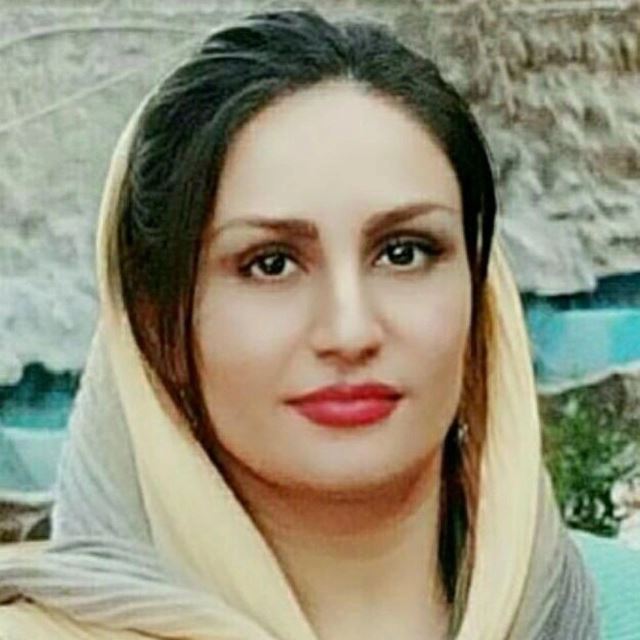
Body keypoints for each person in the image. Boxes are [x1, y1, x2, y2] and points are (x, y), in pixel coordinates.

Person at [0, 7, 600, 639]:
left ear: (481, 296)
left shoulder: (613, 603)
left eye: (404, 252)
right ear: (157, 328)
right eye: (271, 263)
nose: (350, 331)